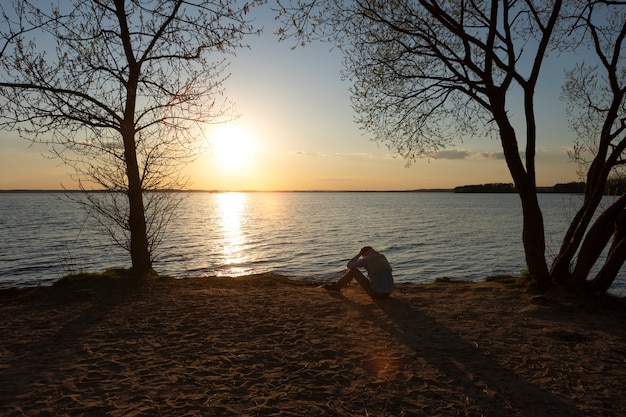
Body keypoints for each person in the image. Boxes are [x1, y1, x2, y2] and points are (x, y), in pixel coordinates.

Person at [323, 246, 394, 298]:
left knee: (353, 271)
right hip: (388, 293)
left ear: (364, 254)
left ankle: (336, 287)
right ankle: (337, 286)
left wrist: (358, 255)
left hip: (377, 294)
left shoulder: (367, 260)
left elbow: (349, 265)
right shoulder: (382, 258)